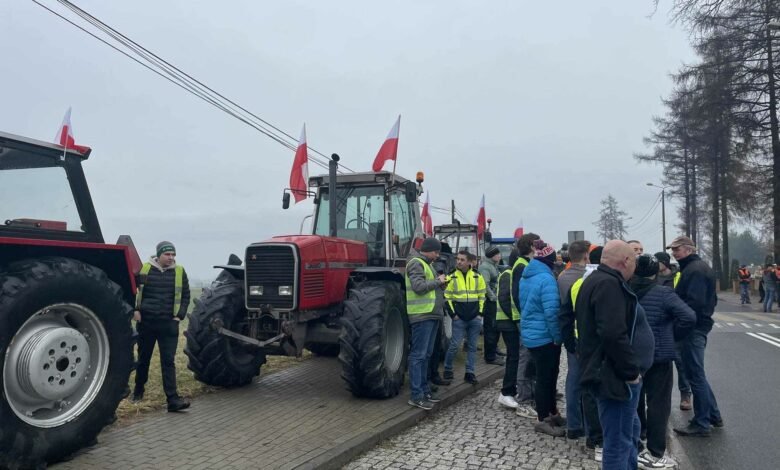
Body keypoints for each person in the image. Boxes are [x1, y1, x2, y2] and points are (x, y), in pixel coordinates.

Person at [577, 240, 654, 470]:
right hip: (615, 377)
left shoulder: (596, 280)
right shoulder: (609, 285)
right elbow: (612, 334)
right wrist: (630, 372)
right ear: (626, 260)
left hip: (610, 373)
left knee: (629, 434)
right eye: (634, 260)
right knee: (618, 443)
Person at [631, 254, 696, 469]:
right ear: (655, 272)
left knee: (635, 401)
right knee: (659, 404)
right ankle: (656, 451)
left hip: (633, 356)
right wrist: (673, 335)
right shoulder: (663, 293)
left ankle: (636, 445)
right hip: (659, 356)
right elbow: (689, 317)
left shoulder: (624, 290)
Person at [668, 236, 723, 437]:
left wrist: (680, 327)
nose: (674, 253)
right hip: (698, 326)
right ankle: (713, 415)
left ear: (689, 250)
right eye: (673, 250)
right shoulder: (697, 268)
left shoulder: (694, 270)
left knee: (695, 375)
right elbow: (711, 300)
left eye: (677, 249)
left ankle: (702, 422)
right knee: (696, 373)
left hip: (693, 328)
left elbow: (693, 304)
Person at [133, 241, 191, 412]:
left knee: (168, 362)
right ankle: (138, 391)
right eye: (167, 254)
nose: (171, 258)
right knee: (144, 359)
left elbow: (186, 295)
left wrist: (178, 316)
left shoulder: (179, 272)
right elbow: (133, 291)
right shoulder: (144, 269)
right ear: (159, 255)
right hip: (147, 323)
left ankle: (173, 400)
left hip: (168, 324)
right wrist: (135, 310)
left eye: (173, 255)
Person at [520, 239, 566, 437]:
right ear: (549, 261)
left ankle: (552, 412)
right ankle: (542, 419)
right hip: (545, 336)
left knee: (546, 376)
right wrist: (557, 336)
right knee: (545, 378)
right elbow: (551, 312)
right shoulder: (546, 279)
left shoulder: (527, 276)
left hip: (531, 332)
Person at [405, 237, 448, 410]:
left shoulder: (427, 264)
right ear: (428, 249)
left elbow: (428, 287)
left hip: (431, 315)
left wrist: (441, 285)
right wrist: (438, 281)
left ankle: (424, 390)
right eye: (436, 252)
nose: (437, 256)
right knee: (419, 355)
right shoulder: (416, 263)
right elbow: (418, 287)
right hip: (422, 315)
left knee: (426, 355)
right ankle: (416, 395)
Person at [556, 239, 591, 441]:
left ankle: (574, 424)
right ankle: (589, 424)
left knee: (573, 379)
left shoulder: (562, 277)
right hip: (586, 335)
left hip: (570, 333)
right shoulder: (588, 277)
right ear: (586, 256)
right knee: (589, 382)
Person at [443, 250, 486, 386]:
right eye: (458, 259)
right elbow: (447, 297)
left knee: (472, 347)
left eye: (462, 260)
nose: (459, 262)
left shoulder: (477, 276)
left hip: (474, 318)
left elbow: (482, 296)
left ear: (469, 262)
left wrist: (480, 314)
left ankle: (470, 372)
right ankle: (448, 368)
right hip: (459, 318)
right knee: (454, 345)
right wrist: (453, 315)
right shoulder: (452, 276)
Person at [656, 251, 691, 411]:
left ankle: (685, 395)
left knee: (680, 362)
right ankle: (663, 400)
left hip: (675, 325)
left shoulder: (677, 277)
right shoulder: (653, 278)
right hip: (659, 325)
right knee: (661, 365)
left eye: (658, 261)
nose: (656, 264)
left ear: (664, 262)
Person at [512, 233, 541, 419]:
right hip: (525, 320)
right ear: (531, 246)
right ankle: (523, 400)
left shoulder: (525, 264)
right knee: (526, 359)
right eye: (538, 244)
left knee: (530, 359)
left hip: (527, 319)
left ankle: (529, 396)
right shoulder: (522, 265)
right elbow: (517, 294)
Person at [495, 248, 521, 409]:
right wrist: (515, 320)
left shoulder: (512, 274)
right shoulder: (507, 274)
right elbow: (504, 299)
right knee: (513, 357)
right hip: (507, 322)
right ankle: (506, 392)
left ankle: (512, 388)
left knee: (516, 357)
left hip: (511, 322)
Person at [479, 246, 505, 366]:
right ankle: (490, 357)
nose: (500, 256)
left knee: (496, 327)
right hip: (491, 302)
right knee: (490, 329)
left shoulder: (493, 265)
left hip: (495, 301)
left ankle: (494, 350)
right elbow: (485, 284)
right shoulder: (485, 267)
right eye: (497, 254)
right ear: (492, 255)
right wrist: (493, 298)